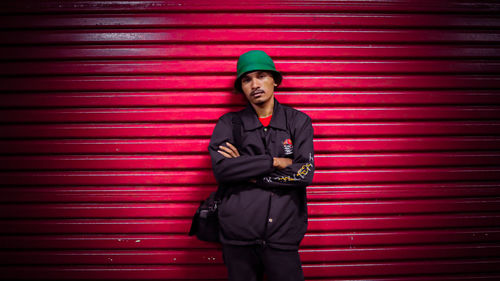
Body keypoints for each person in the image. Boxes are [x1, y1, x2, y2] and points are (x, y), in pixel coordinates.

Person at [208, 50, 315, 281]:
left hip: (283, 236)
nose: (255, 84)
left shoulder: (298, 121)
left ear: (275, 80)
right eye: (246, 80)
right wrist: (273, 162)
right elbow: (222, 170)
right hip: (238, 237)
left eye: (262, 76)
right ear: (241, 88)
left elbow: (304, 173)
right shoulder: (229, 124)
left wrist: (251, 173)